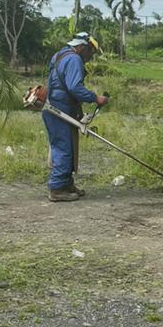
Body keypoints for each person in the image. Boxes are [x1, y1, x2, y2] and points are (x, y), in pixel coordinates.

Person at [42, 33, 109, 202]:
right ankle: (57, 188)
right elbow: (74, 87)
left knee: (69, 145)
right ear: (82, 47)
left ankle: (66, 184)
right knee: (63, 147)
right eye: (90, 52)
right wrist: (95, 98)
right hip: (60, 107)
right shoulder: (74, 59)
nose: (90, 56)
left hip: (58, 105)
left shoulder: (60, 54)